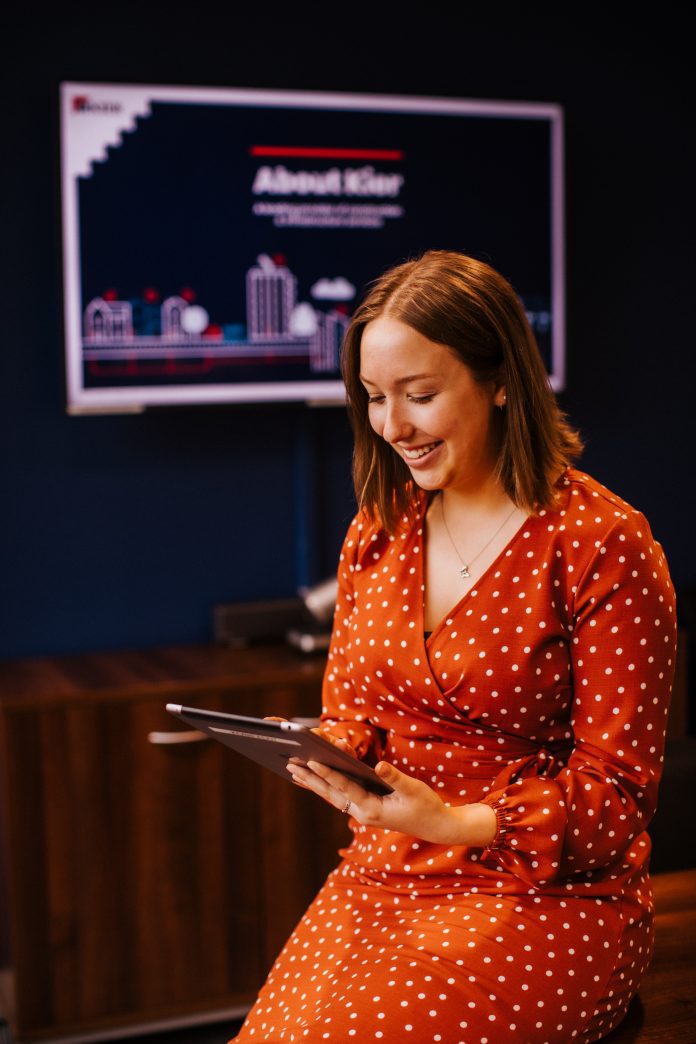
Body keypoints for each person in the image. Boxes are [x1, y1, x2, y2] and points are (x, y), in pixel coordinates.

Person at [231, 250, 677, 1043]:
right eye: (373, 397)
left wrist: (457, 821)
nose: (392, 425)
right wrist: (329, 754)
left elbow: (619, 799)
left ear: (501, 379)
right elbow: (355, 713)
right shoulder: (380, 527)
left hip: (547, 897)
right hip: (385, 875)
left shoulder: (602, 543)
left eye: (421, 394)